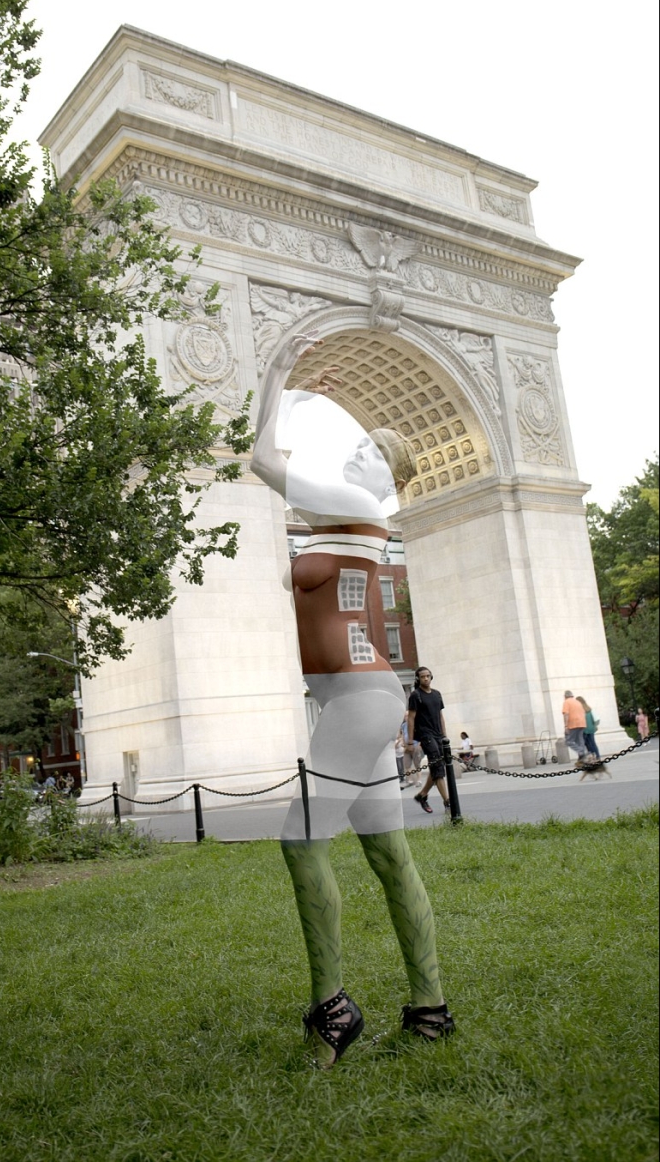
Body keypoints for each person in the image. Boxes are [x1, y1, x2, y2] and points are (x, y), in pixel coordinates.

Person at [250, 332, 454, 1068]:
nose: (357, 451)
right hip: (362, 697)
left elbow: (261, 460)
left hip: (358, 697)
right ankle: (429, 1007)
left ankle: (331, 1012)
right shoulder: (340, 519)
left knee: (300, 842)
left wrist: (277, 372)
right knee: (387, 853)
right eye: (361, 442)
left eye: (373, 451)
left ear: (386, 479)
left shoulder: (352, 500)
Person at [408, 668, 451, 813]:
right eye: (422, 677)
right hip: (426, 736)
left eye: (428, 676)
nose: (426, 679)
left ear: (431, 677)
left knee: (436, 768)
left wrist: (444, 735)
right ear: (418, 679)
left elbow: (440, 715)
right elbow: (411, 718)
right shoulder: (415, 696)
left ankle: (422, 795)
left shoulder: (437, 694)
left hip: (439, 735)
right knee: (438, 769)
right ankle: (447, 802)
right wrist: (409, 741)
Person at [561, 691, 587, 759]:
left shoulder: (566, 702)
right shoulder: (578, 702)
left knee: (568, 741)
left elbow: (566, 714)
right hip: (582, 723)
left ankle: (581, 752)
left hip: (573, 724)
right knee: (580, 740)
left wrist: (566, 726)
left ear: (565, 696)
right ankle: (583, 755)